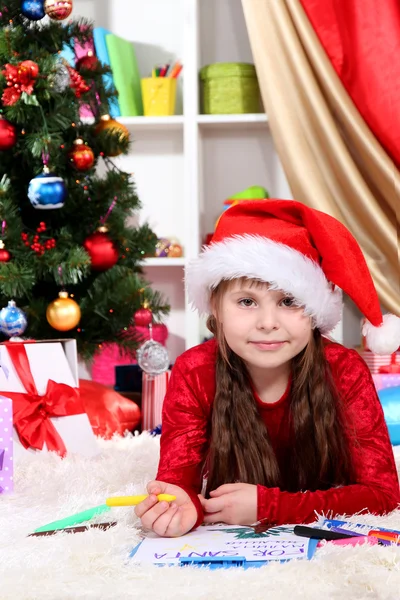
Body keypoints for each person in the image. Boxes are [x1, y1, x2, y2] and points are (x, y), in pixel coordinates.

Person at [135, 199, 400, 538]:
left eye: (289, 301)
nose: (268, 323)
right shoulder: (194, 371)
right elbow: (178, 479)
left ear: (315, 310)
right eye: (247, 302)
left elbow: (384, 495)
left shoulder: (344, 370)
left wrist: (272, 507)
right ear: (215, 306)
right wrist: (178, 505)